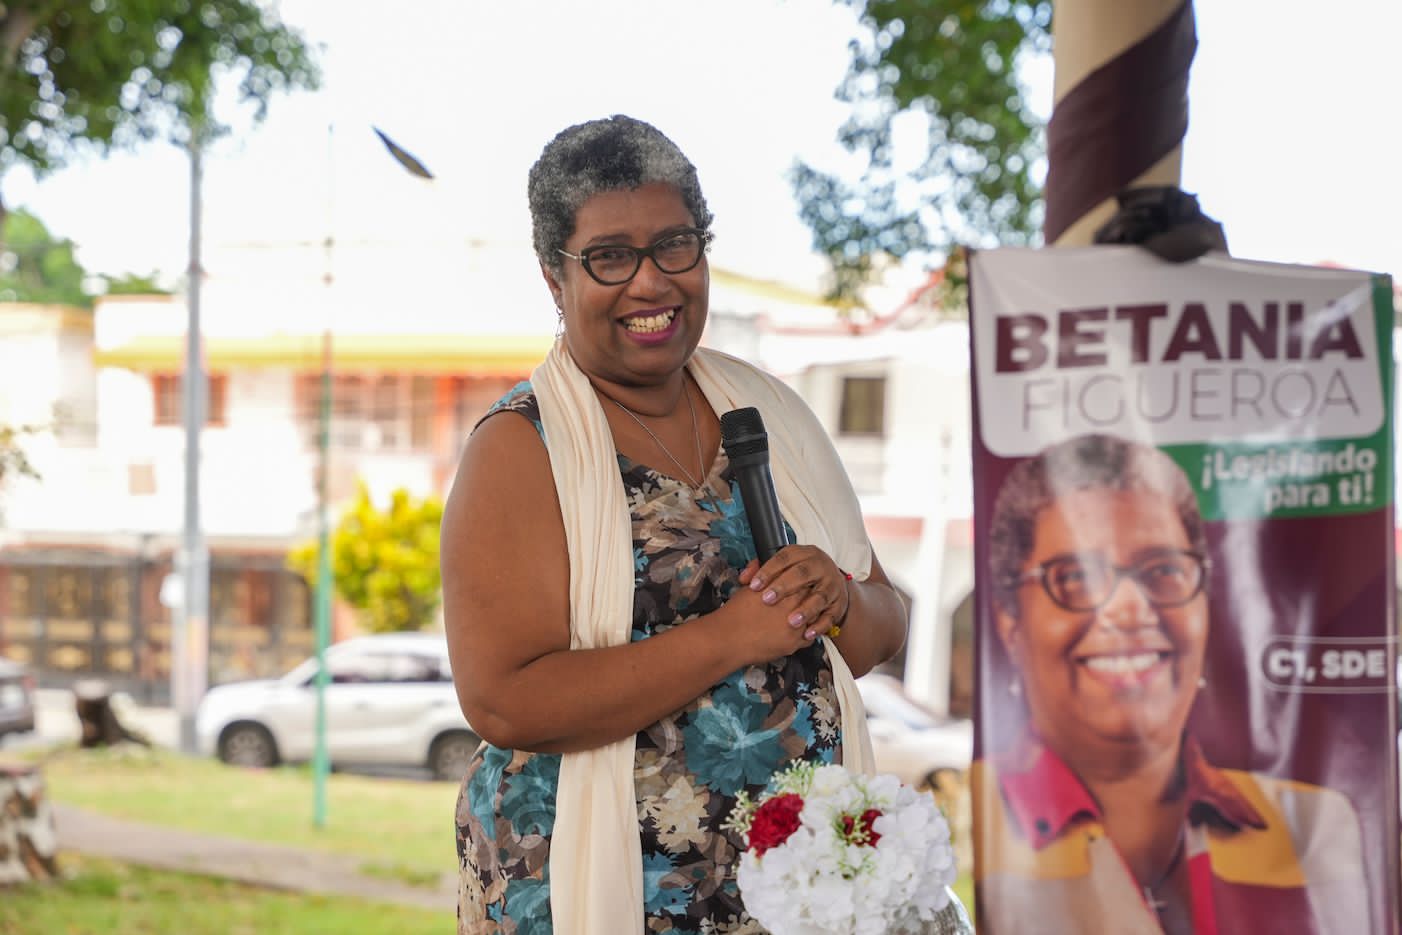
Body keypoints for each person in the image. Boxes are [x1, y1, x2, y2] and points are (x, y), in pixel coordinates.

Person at [441, 115, 972, 934]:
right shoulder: (519, 448)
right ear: (555, 277)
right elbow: (505, 702)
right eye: (610, 257)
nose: (650, 282)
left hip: (791, 892)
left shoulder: (768, 413)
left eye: (674, 246)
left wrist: (835, 596)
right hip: (598, 887)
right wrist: (730, 637)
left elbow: (879, 628)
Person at [975, 433, 1370, 935]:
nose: (1129, 609)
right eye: (1074, 576)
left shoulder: (1312, 825)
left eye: (1163, 570)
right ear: (1010, 622)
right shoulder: (971, 818)